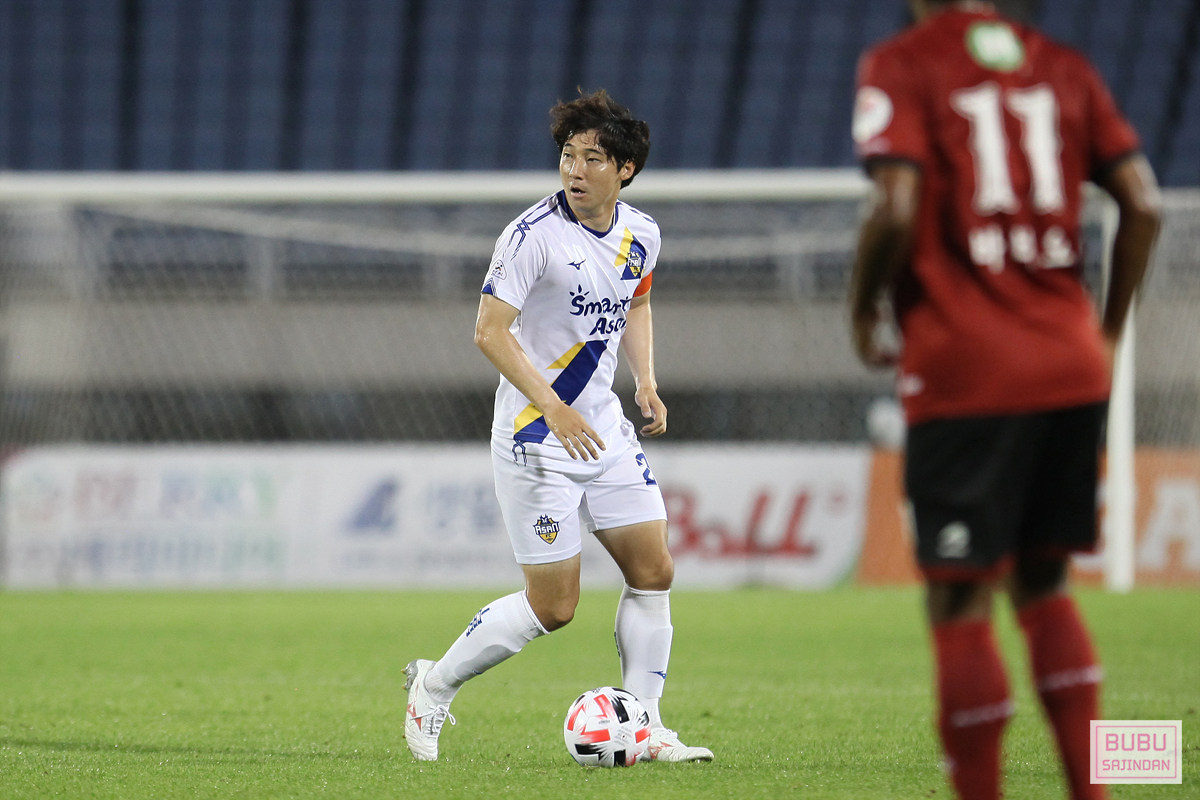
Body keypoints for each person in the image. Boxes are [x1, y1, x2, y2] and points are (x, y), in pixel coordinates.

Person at [848, 2, 1160, 799]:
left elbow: (896, 206)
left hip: (966, 369)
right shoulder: (1064, 66)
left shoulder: (902, 63)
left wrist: (862, 308)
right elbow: (1144, 204)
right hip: (1069, 365)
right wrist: (1107, 332)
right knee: (1044, 585)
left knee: (960, 595)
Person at [403, 89, 713, 764]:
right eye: (569, 155)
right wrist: (551, 404)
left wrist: (646, 379)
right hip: (536, 436)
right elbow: (489, 331)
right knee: (554, 607)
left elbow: (637, 303)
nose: (575, 170)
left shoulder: (642, 233)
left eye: (593, 158)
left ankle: (647, 725)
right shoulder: (531, 236)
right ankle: (434, 684)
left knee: (653, 570)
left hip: (602, 429)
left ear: (626, 169)